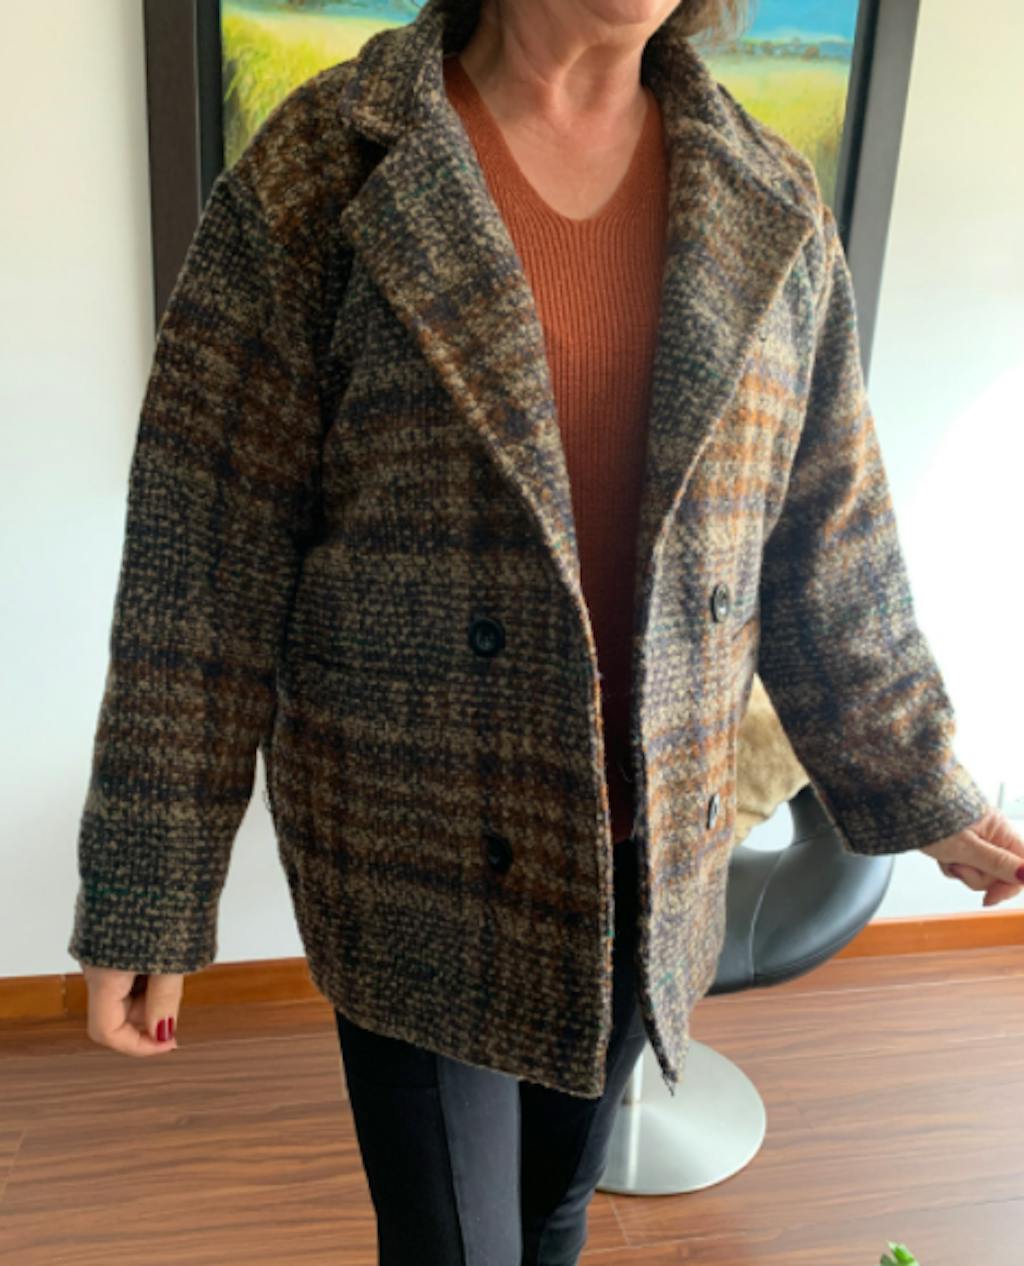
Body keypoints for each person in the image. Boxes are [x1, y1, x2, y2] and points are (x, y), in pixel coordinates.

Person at [70, 0, 1024, 1262]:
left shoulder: (769, 198)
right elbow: (202, 556)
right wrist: (148, 884)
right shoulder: (324, 167)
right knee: (452, 1242)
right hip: (414, 860)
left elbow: (826, 539)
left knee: (558, 1210)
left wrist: (921, 783)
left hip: (647, 854)